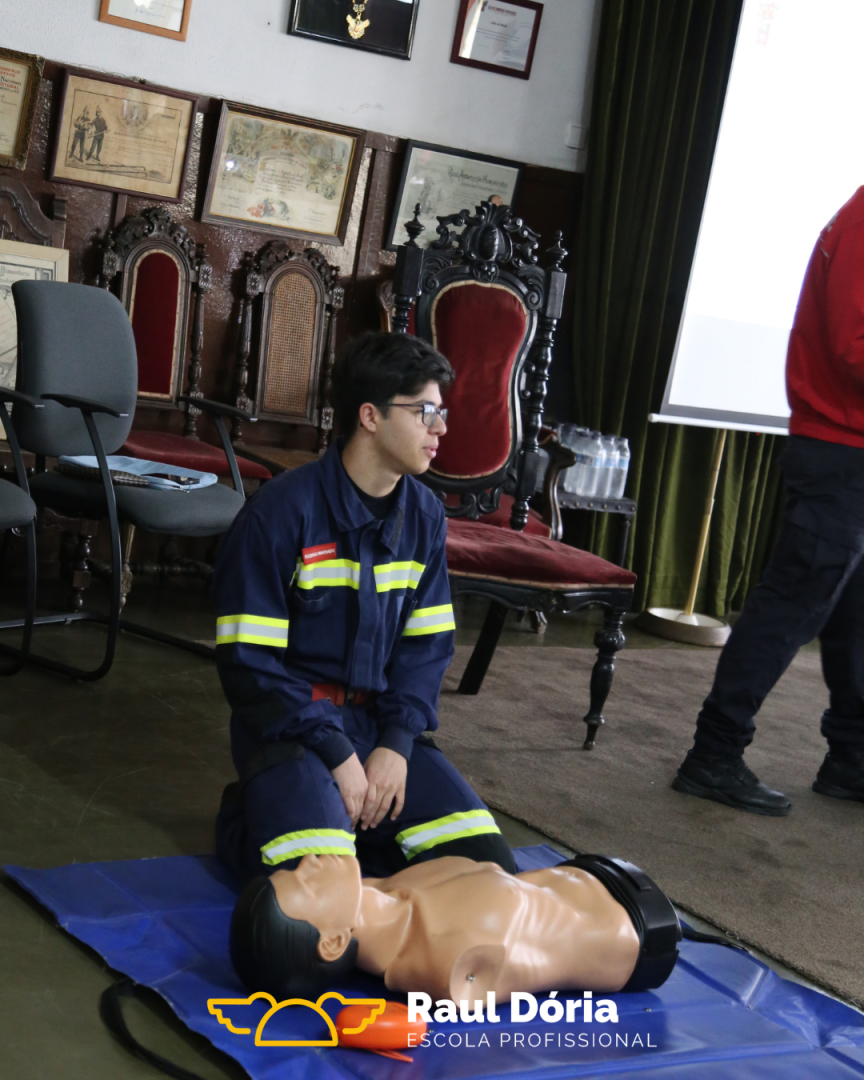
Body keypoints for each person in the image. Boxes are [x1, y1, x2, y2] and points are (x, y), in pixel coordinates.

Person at [213, 332, 516, 881]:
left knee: (487, 876)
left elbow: (427, 649)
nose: (441, 428)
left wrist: (396, 747)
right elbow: (248, 664)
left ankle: (348, 830)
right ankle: (251, 820)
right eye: (425, 411)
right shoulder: (280, 514)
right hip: (293, 731)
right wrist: (334, 752)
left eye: (441, 412)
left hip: (378, 728)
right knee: (321, 902)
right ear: (371, 417)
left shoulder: (423, 517)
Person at [674, 187, 864, 815]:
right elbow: (851, 344)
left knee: (855, 617)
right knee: (790, 607)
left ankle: (851, 758)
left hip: (852, 448)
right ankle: (714, 753)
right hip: (841, 448)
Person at [229, 852, 681, 1000]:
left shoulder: (382, 891)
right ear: (332, 943)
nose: (309, 860)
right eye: (308, 882)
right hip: (637, 933)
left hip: (593, 869)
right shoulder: (446, 963)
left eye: (295, 867)